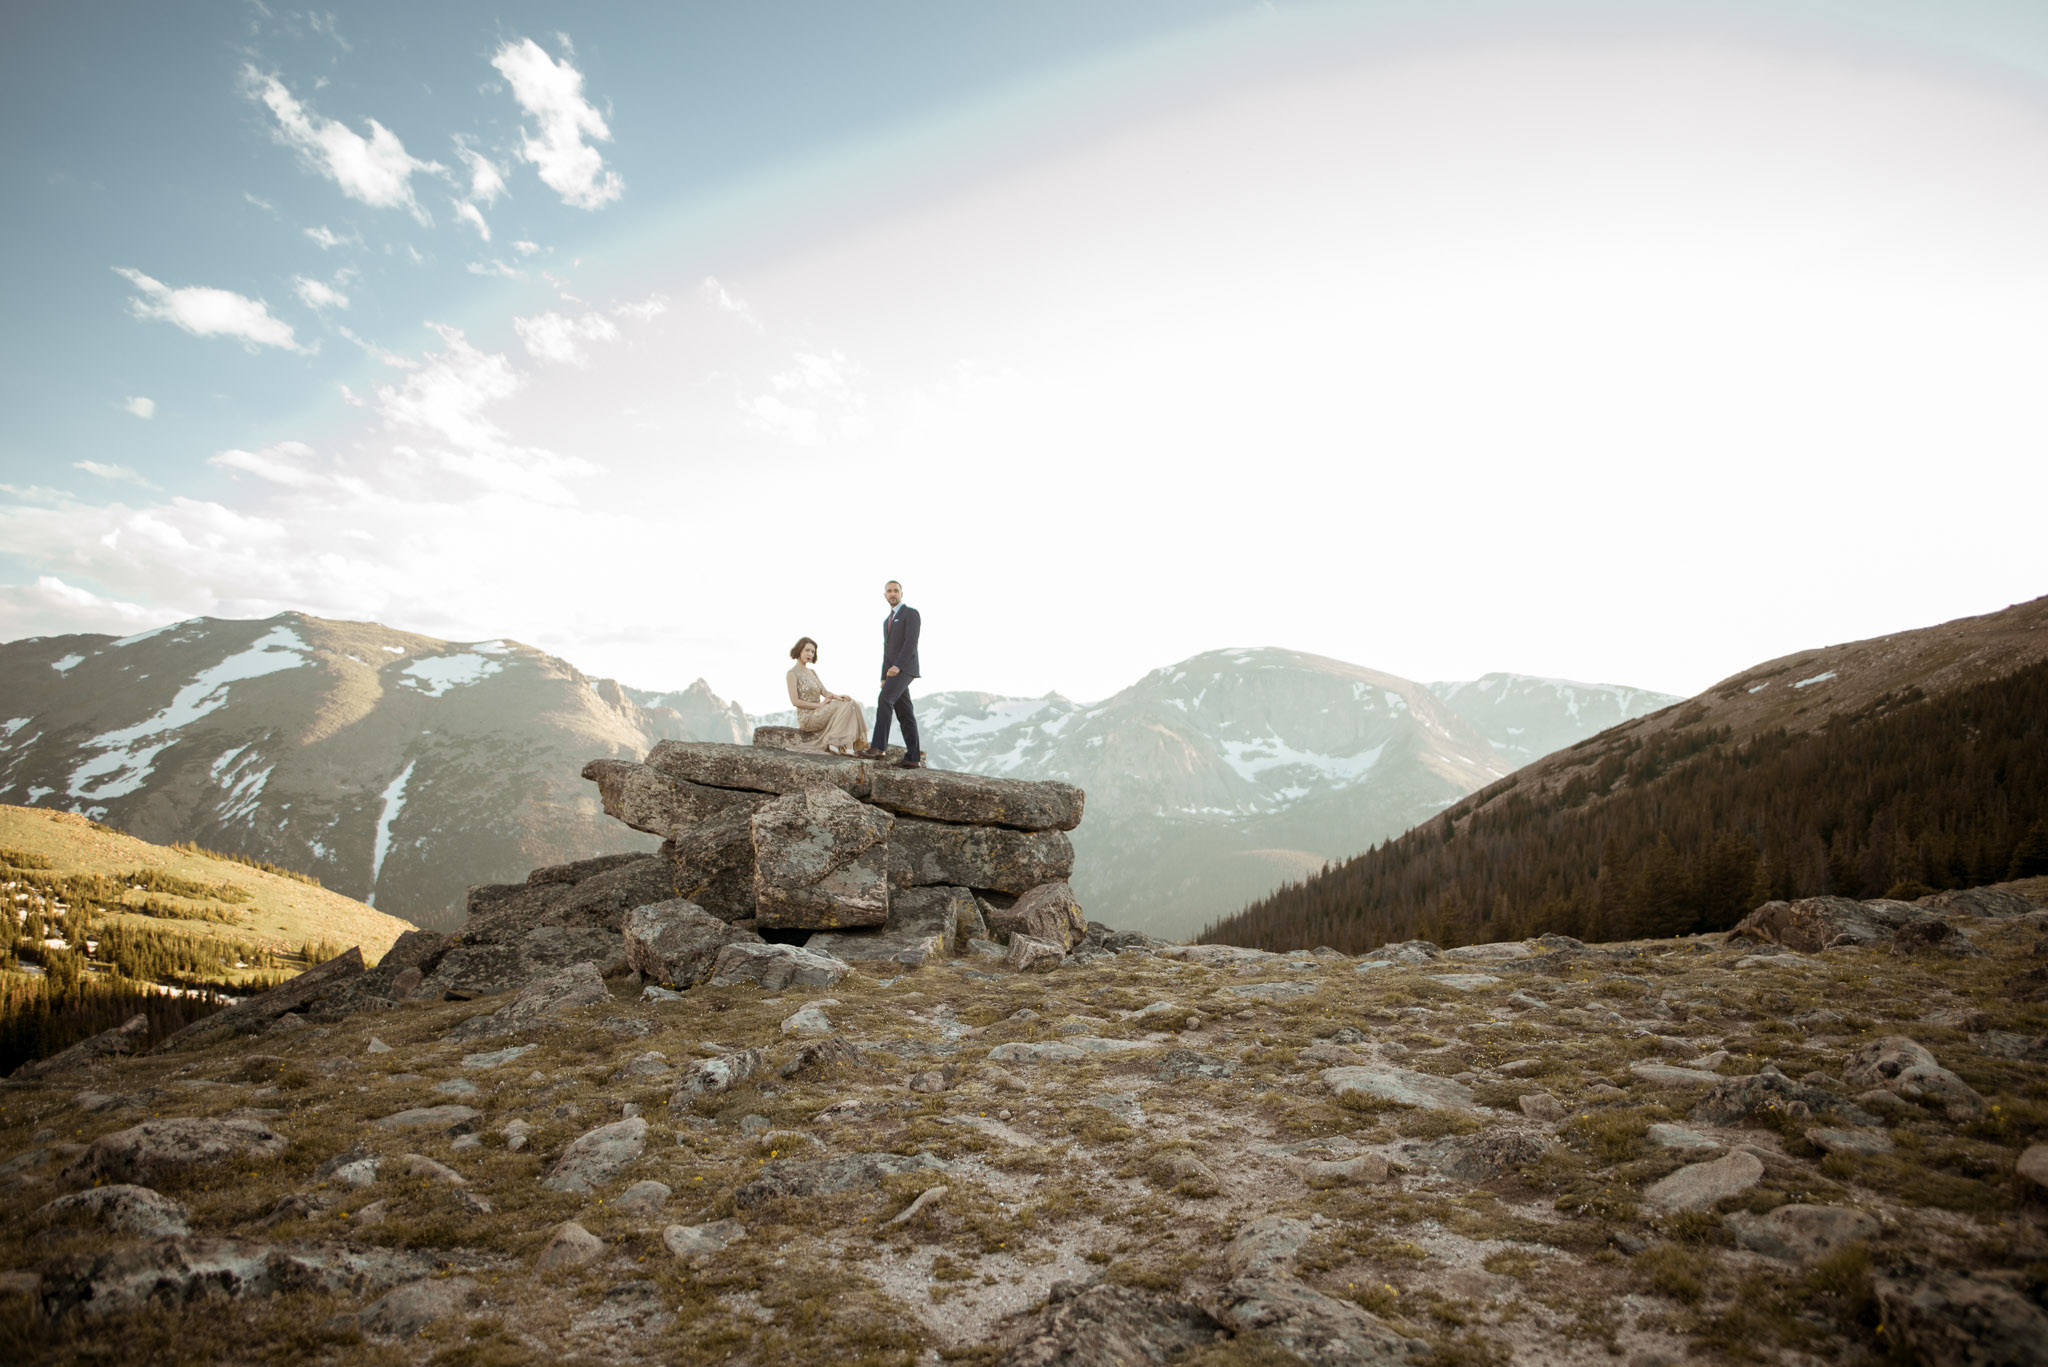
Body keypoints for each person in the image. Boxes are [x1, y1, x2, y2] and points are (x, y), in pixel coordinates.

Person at [858, 580, 923, 768]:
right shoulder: (887, 621)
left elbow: (911, 642)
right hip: (893, 671)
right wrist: (883, 676)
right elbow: (887, 651)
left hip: (905, 668)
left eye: (895, 590)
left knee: (885, 699)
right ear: (885, 595)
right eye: (889, 591)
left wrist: (897, 666)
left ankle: (878, 747)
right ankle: (913, 757)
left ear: (901, 593)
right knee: (905, 713)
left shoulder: (910, 613)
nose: (892, 594)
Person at [785, 637, 867, 755]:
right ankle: (834, 742)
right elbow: (795, 701)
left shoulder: (812, 672)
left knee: (850, 703)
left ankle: (849, 746)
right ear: (799, 650)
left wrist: (839, 696)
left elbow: (825, 692)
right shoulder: (792, 673)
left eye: (813, 652)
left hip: (819, 711)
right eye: (807, 650)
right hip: (807, 717)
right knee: (847, 705)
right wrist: (819, 705)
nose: (810, 654)